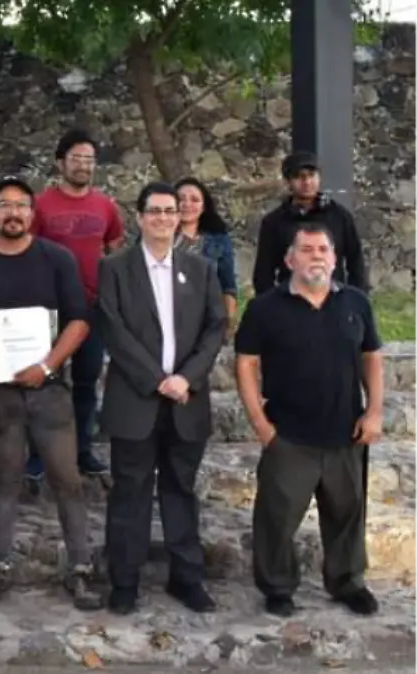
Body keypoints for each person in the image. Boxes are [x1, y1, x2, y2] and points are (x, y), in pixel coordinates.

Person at [0, 176, 101, 610]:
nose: (12, 213)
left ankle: (81, 568)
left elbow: (79, 322)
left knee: (67, 480)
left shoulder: (57, 260)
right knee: (4, 480)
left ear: (33, 213)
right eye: (4, 205)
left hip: (49, 391)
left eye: (20, 205)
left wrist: (47, 365)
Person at [235, 221, 383, 618]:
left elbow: (371, 356)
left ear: (334, 259)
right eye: (306, 249)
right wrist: (261, 425)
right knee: (277, 518)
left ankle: (348, 582)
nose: (316, 256)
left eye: (323, 249)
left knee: (347, 514)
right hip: (288, 435)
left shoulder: (356, 303)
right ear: (289, 260)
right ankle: (278, 587)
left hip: (346, 433)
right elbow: (246, 363)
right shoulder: (265, 308)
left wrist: (374, 411)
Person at [97, 183, 227, 615]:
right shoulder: (115, 269)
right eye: (154, 211)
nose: (163, 218)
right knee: (129, 493)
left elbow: (215, 328)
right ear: (139, 217)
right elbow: (113, 329)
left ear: (179, 217)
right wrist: (157, 380)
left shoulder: (201, 269)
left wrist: (186, 378)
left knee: (181, 490)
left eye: (170, 211)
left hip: (186, 400)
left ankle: (186, 579)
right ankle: (125, 581)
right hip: (135, 399)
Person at [25, 129, 125, 482]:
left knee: (86, 382)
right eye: (76, 158)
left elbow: (115, 254)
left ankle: (82, 450)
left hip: (92, 308)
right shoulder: (40, 205)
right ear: (60, 163)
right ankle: (38, 455)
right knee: (44, 381)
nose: (83, 165)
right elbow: (27, 251)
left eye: (88, 160)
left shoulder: (106, 206)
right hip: (48, 309)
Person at [252, 152, 367, 296]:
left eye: (311, 175)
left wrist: (357, 299)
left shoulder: (340, 216)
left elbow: (356, 262)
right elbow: (264, 271)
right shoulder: (274, 222)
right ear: (288, 181)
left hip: (333, 298)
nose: (307, 182)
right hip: (291, 299)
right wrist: (269, 304)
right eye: (299, 177)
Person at [174, 178, 238, 339]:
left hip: (204, 319)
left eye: (194, 200)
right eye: (181, 199)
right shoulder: (156, 236)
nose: (187, 204)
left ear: (204, 207)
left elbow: (227, 284)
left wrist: (229, 321)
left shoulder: (218, 239)